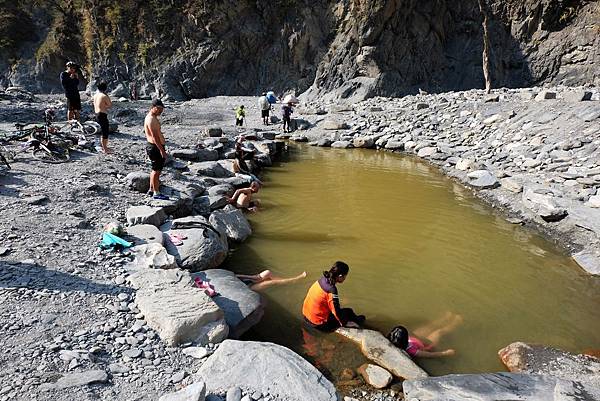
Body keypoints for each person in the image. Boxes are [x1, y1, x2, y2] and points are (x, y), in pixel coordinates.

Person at [302, 261, 364, 332]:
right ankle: (360, 323)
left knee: (344, 311)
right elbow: (336, 312)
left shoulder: (322, 280)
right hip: (318, 323)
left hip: (306, 316)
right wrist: (345, 323)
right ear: (340, 276)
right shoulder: (331, 289)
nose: (345, 278)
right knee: (349, 312)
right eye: (345, 276)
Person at [387, 313, 463, 358]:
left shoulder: (394, 340)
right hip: (426, 345)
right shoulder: (413, 351)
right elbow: (430, 355)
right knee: (439, 332)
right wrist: (445, 353)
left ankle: (445, 318)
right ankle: (456, 322)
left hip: (415, 339)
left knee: (430, 326)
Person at [144, 98, 169, 200]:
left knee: (155, 169)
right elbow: (155, 137)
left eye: (162, 109)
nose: (161, 111)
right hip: (155, 147)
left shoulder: (151, 117)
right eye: (159, 109)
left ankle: (151, 189)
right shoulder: (151, 120)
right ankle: (156, 193)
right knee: (156, 171)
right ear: (153, 107)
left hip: (154, 146)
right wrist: (162, 151)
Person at [236, 269, 307, 291]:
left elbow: (238, 276)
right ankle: (296, 279)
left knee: (268, 272)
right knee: (271, 282)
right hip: (247, 288)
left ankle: (284, 282)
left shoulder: (228, 278)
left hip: (247, 281)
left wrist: (253, 277)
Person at [93, 81, 113, 154]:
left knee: (100, 131)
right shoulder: (104, 96)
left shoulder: (95, 95)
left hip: (96, 114)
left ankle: (103, 147)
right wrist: (105, 106)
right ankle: (105, 148)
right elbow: (110, 105)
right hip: (102, 114)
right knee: (105, 132)